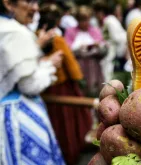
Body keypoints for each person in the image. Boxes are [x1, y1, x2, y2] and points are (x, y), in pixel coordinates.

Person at [0, 0, 65, 164]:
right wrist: (50, 65)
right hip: (17, 118)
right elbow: (29, 85)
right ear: (8, 3)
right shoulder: (15, 31)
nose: (36, 7)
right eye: (29, 1)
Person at [38, 4, 93, 165]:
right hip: (63, 86)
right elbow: (70, 62)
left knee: (54, 121)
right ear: (57, 21)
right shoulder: (57, 38)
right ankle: (70, 153)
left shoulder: (37, 36)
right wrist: (79, 79)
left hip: (46, 86)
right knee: (67, 123)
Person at [65, 5, 104, 97]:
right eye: (82, 20)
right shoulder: (70, 31)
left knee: (93, 93)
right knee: (79, 92)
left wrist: (98, 47)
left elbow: (103, 50)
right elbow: (67, 50)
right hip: (78, 66)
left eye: (87, 20)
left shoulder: (95, 31)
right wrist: (79, 49)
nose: (85, 23)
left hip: (93, 69)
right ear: (78, 20)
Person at [93, 0, 127, 83]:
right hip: (105, 53)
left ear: (102, 11)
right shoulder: (98, 22)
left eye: (97, 12)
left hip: (113, 54)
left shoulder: (110, 20)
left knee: (109, 76)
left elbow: (118, 38)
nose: (96, 15)